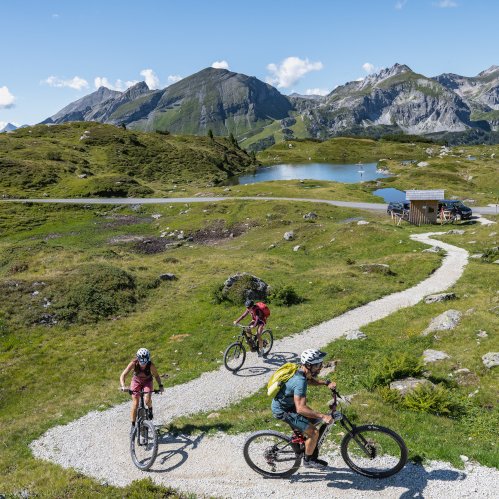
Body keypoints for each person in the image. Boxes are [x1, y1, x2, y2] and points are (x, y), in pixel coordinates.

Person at [271, 348, 336, 469]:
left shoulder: (301, 371)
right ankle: (308, 460)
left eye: (320, 364)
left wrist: (325, 383)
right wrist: (323, 415)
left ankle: (301, 441)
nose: (320, 368)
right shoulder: (299, 381)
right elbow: (301, 409)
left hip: (289, 405)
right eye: (317, 365)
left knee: (314, 421)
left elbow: (310, 381)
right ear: (308, 365)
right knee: (314, 432)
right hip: (283, 410)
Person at [120, 348, 164, 432]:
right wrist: (123, 386)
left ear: (148, 359)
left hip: (147, 381)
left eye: (145, 361)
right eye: (141, 361)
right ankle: (133, 425)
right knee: (135, 403)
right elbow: (123, 375)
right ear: (138, 358)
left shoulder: (150, 365)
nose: (143, 364)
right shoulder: (133, 363)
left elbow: (157, 376)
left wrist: (160, 385)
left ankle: (150, 408)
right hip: (136, 381)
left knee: (147, 400)